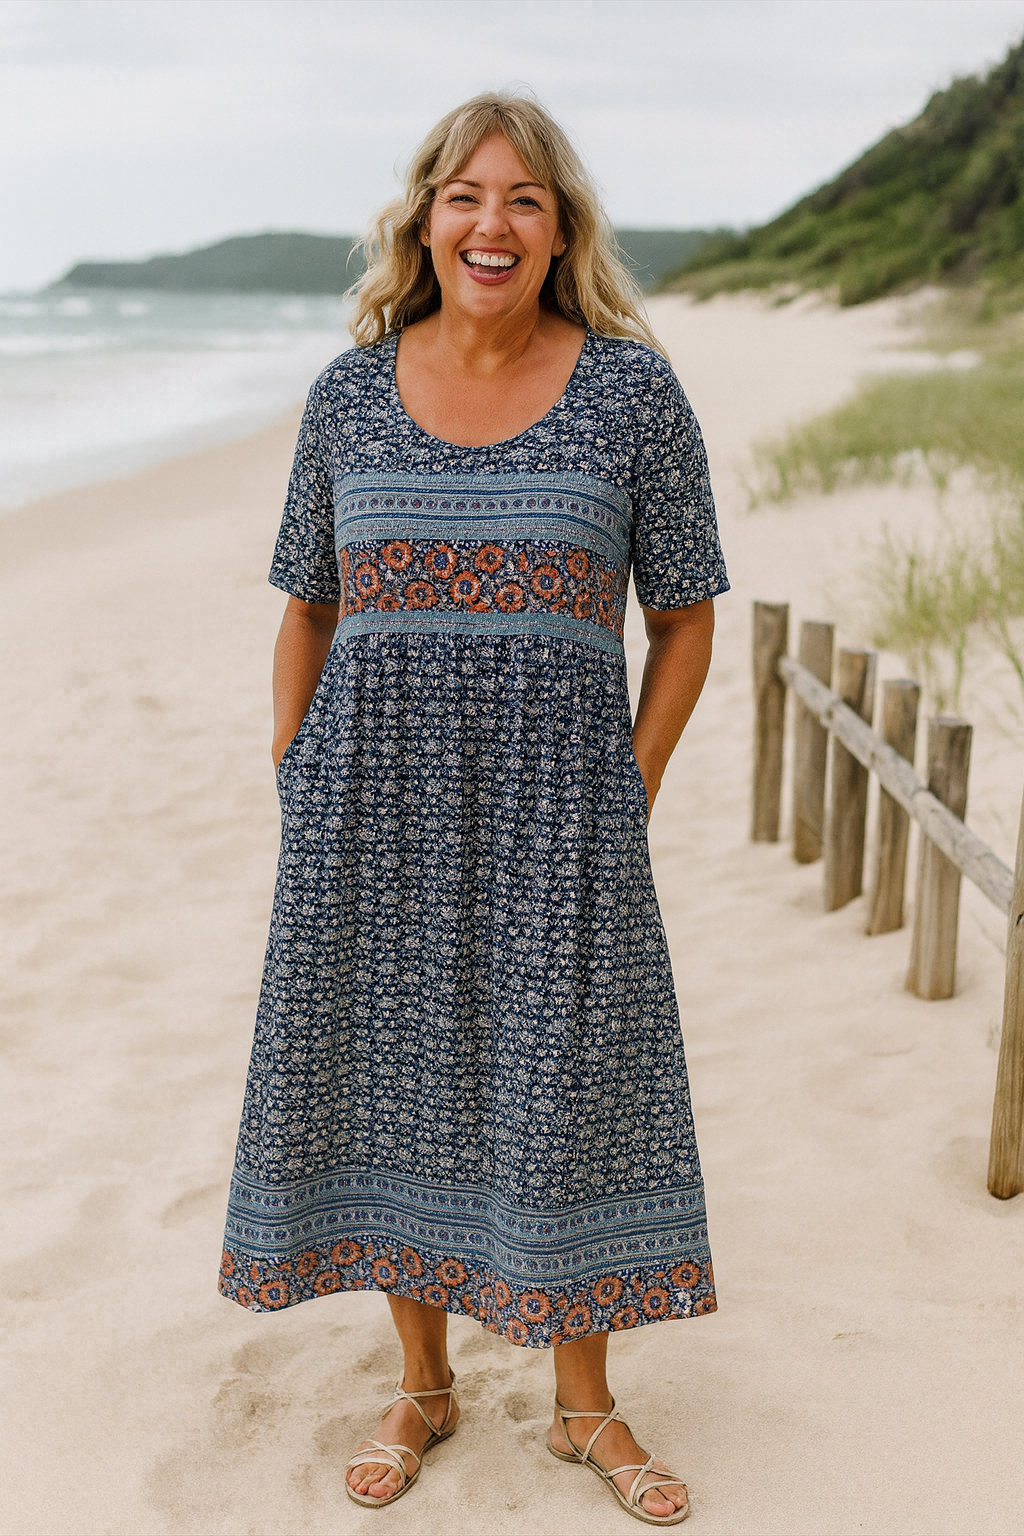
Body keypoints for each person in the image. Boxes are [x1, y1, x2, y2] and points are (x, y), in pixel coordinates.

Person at [219, 91, 728, 1526]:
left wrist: (626, 790)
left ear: (561, 231)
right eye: (465, 196)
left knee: (572, 1081)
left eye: (523, 200)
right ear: (426, 219)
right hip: (368, 812)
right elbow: (307, 603)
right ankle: (425, 1384)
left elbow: (687, 620)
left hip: (563, 817)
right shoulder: (348, 393)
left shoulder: (633, 394)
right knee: (393, 1076)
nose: (491, 225)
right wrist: (295, 767)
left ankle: (585, 1406)